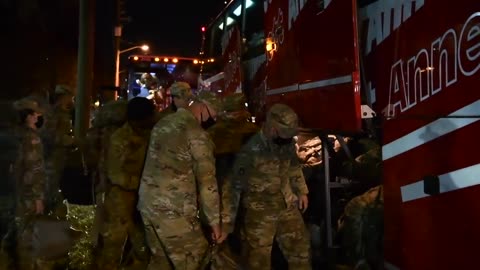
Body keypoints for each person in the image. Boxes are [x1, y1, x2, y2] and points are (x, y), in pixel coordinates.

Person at [137, 83, 223, 270]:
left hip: (148, 204)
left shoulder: (163, 123)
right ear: (203, 107)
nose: (213, 120)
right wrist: (214, 222)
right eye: (213, 114)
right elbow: (208, 183)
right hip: (173, 210)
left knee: (160, 262)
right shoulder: (197, 134)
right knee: (194, 259)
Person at [225, 103, 311, 270]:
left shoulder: (286, 144)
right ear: (272, 129)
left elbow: (293, 166)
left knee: (301, 251)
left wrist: (302, 191)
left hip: (287, 205)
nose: (287, 138)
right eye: (284, 133)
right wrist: (227, 222)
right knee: (258, 261)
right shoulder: (249, 151)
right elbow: (233, 187)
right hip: (259, 212)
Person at [99, 98, 156, 269]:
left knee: (141, 246)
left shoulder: (147, 132)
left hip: (141, 198)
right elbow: (115, 174)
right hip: (121, 199)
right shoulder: (121, 138)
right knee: (114, 246)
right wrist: (141, 183)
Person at [207, 93, 259, 268]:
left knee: (221, 236)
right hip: (250, 191)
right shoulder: (253, 130)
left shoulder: (214, 132)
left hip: (221, 190)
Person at [12, 98, 47, 270]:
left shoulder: (16, 134)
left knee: (17, 230)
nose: (39, 115)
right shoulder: (32, 138)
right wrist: (38, 198)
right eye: (36, 113)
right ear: (29, 117)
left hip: (16, 191)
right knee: (28, 235)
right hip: (28, 194)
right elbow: (35, 170)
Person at [42, 85, 75, 214]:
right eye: (69, 97)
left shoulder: (63, 112)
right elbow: (49, 135)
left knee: (56, 184)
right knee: (50, 186)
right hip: (53, 156)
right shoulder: (54, 113)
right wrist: (69, 141)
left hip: (60, 156)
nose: (71, 99)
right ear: (63, 97)